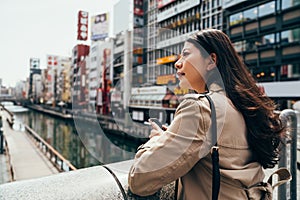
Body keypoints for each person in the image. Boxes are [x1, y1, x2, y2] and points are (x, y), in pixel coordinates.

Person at [128, 29, 284, 199]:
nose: (177, 63)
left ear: (211, 61)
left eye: (186, 54)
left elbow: (140, 180)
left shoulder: (200, 108)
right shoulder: (244, 104)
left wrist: (156, 140)